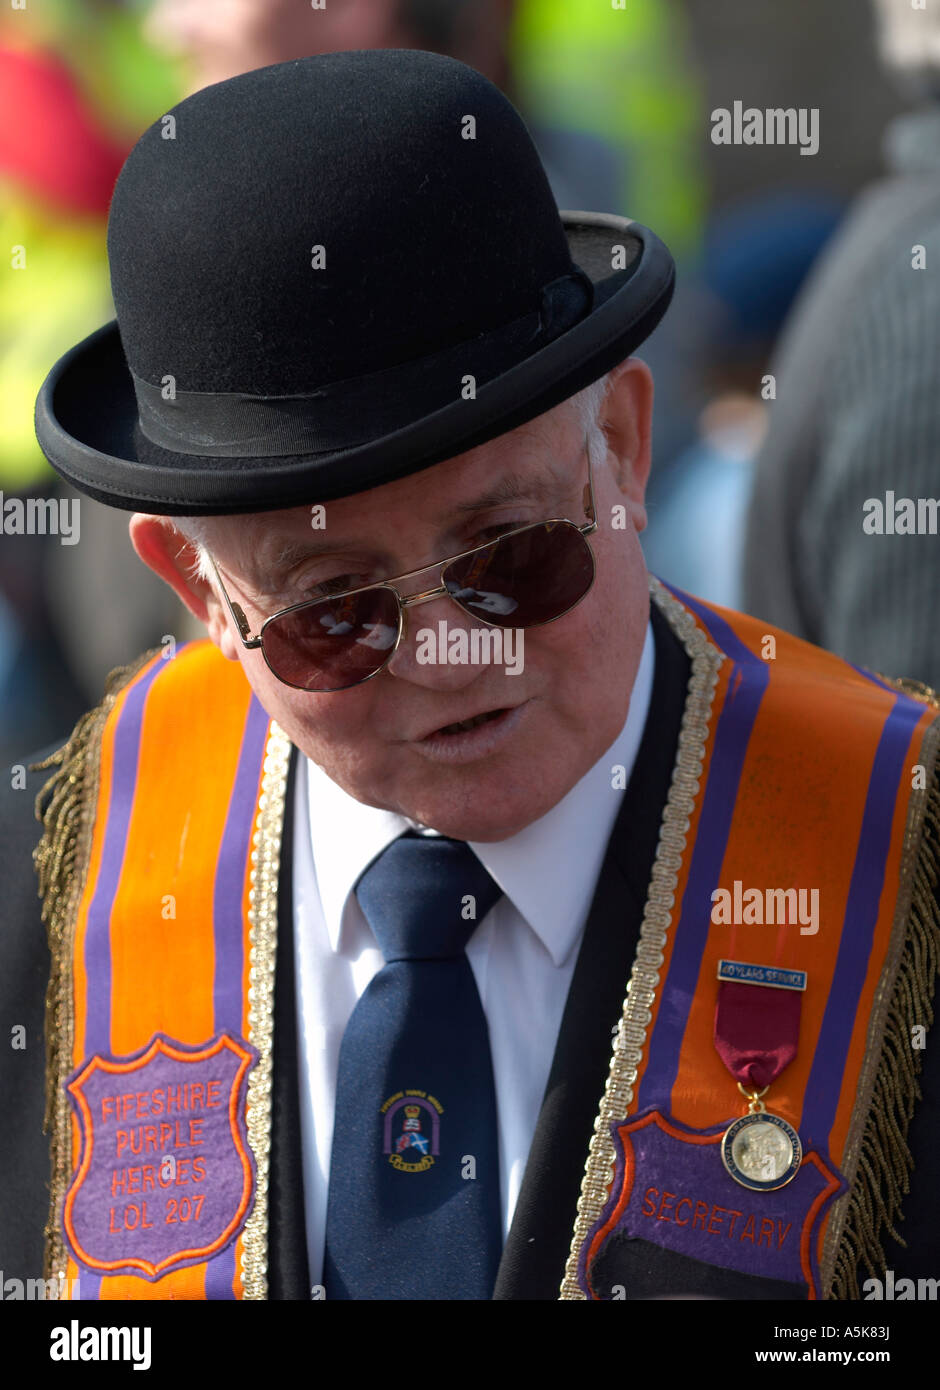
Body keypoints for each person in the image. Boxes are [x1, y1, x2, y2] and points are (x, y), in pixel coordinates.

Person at [1, 51, 938, 1303]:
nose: (451, 651)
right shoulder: (47, 894)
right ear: (197, 589)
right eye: (334, 613)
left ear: (620, 447)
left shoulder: (907, 858)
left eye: (513, 556)